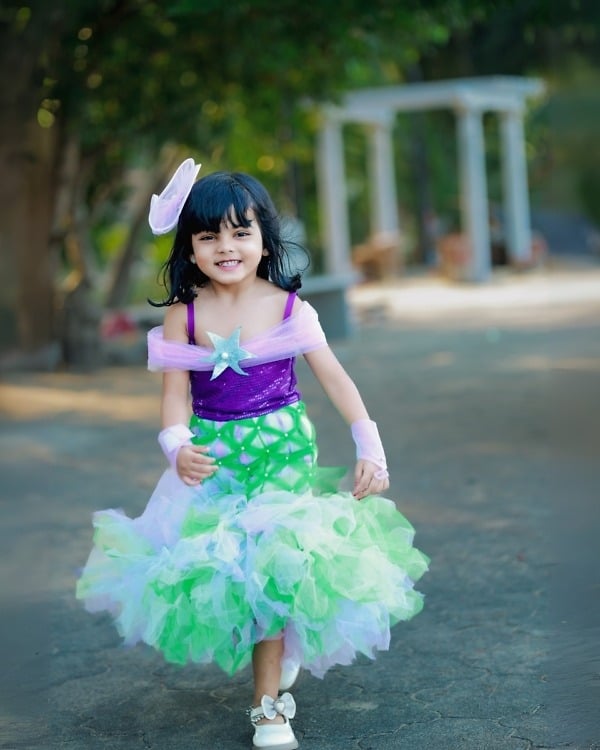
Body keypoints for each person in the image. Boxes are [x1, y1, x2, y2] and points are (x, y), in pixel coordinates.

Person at [76, 158, 429, 750]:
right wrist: (176, 446)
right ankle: (278, 645)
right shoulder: (184, 316)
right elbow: (174, 397)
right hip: (215, 457)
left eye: (241, 232)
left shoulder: (290, 308)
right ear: (190, 248)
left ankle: (268, 709)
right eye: (208, 236)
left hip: (282, 452)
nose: (226, 247)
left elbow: (336, 380)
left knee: (273, 564)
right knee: (233, 571)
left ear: (265, 239)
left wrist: (371, 447)